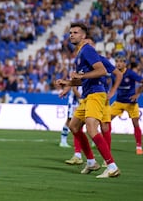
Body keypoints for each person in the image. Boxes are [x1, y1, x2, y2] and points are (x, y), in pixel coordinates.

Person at [56, 22, 120, 178]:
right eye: (70, 32)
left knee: (93, 128)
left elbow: (102, 71)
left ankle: (112, 166)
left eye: (76, 32)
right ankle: (91, 162)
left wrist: (81, 76)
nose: (72, 34)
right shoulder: (79, 54)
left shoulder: (87, 50)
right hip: (87, 95)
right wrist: (69, 83)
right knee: (74, 126)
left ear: (83, 36)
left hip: (96, 94)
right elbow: (82, 80)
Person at [105, 55, 143, 155]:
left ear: (124, 63)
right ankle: (105, 143)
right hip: (119, 102)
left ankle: (139, 146)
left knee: (135, 124)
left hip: (131, 102)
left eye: (121, 61)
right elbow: (112, 85)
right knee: (106, 120)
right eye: (117, 61)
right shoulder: (114, 74)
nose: (118, 63)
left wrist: (137, 94)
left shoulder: (130, 73)